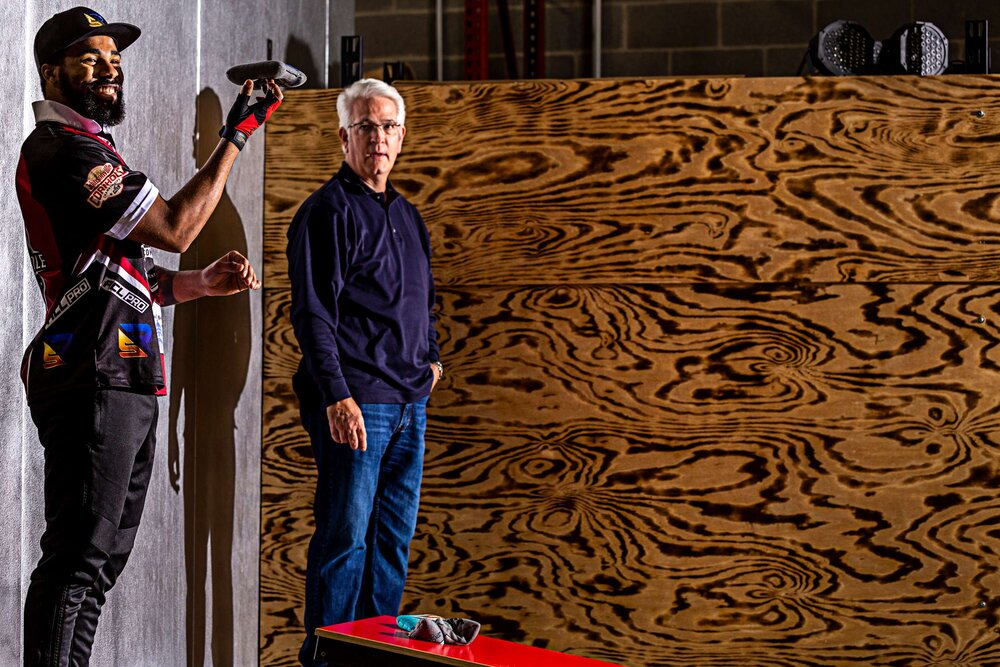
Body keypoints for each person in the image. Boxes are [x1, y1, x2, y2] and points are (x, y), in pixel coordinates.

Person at [16, 7, 281, 665]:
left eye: (114, 57)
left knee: (97, 566)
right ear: (51, 71)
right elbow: (176, 227)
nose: (110, 67)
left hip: (120, 375)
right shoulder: (61, 151)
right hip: (90, 376)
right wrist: (237, 135)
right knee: (77, 562)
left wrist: (198, 285)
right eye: (90, 57)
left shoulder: (95, 151)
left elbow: (124, 278)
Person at [287, 78, 442, 665]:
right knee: (344, 543)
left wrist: (432, 357)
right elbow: (312, 313)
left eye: (387, 126)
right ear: (344, 137)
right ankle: (327, 660)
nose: (378, 137)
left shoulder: (409, 215)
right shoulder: (325, 212)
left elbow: (425, 300)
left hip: (409, 405)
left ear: (401, 136)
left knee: (390, 546)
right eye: (365, 127)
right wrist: (337, 395)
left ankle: (372, 658)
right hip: (358, 405)